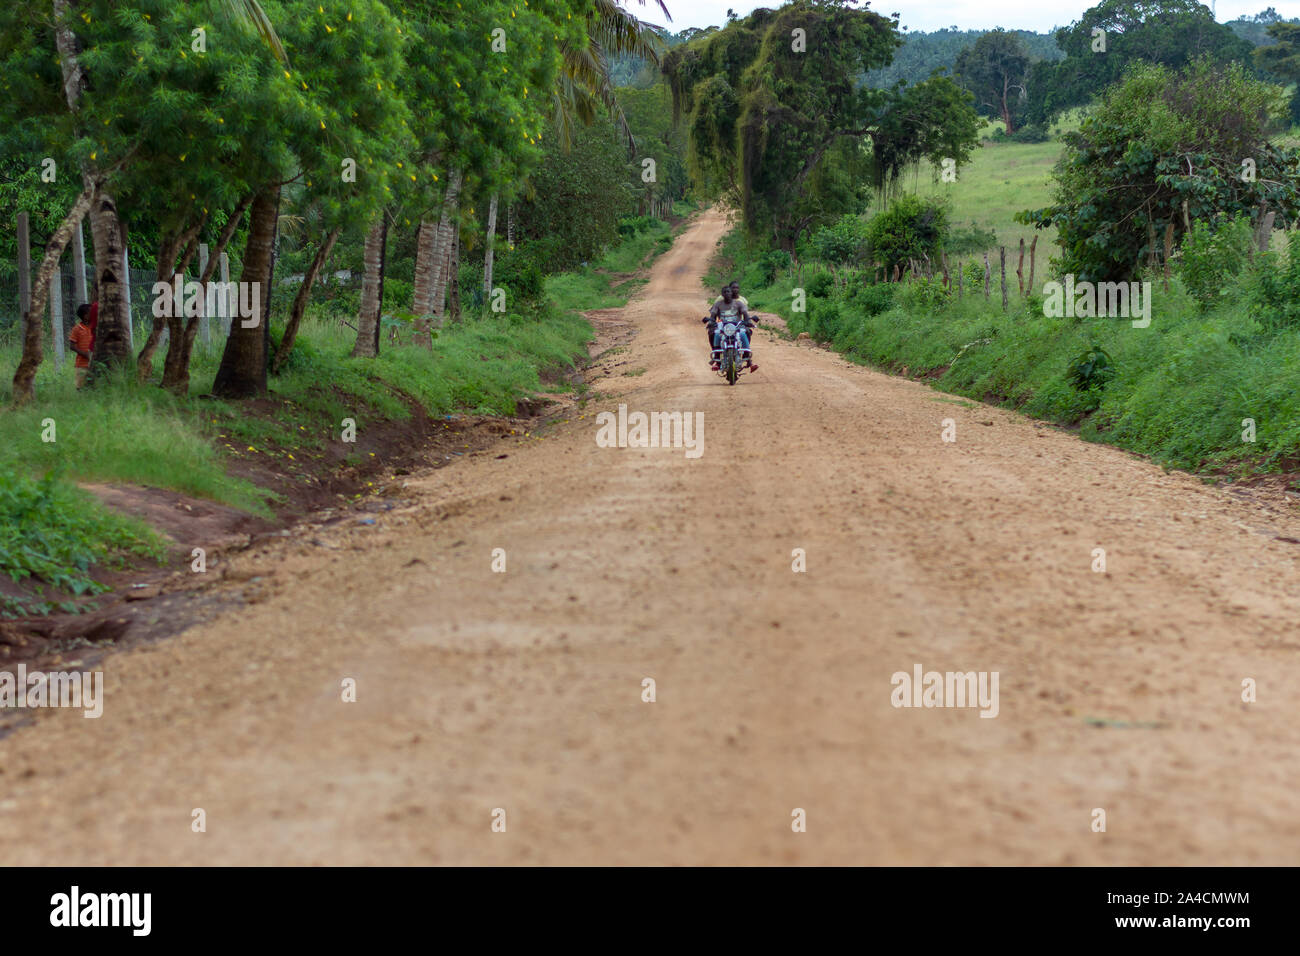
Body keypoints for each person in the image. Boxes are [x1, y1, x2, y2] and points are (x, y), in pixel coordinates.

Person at [69, 303, 95, 388]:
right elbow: (72, 346)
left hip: (93, 362)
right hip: (81, 364)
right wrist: (85, 354)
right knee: (80, 386)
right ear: (85, 316)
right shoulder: (77, 329)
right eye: (91, 313)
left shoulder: (94, 327)